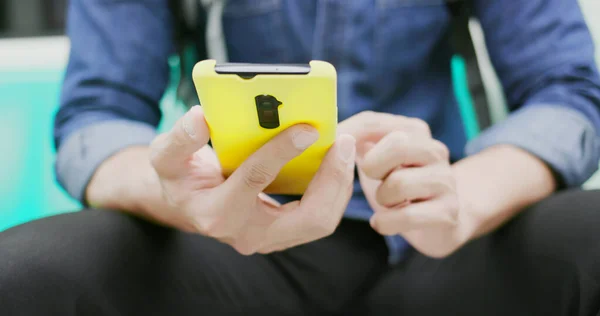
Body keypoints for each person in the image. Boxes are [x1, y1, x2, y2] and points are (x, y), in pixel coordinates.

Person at [2, 0, 600, 315]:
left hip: (434, 244)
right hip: (225, 246)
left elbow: (567, 90)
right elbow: (96, 116)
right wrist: (175, 196)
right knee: (25, 272)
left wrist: (466, 199)